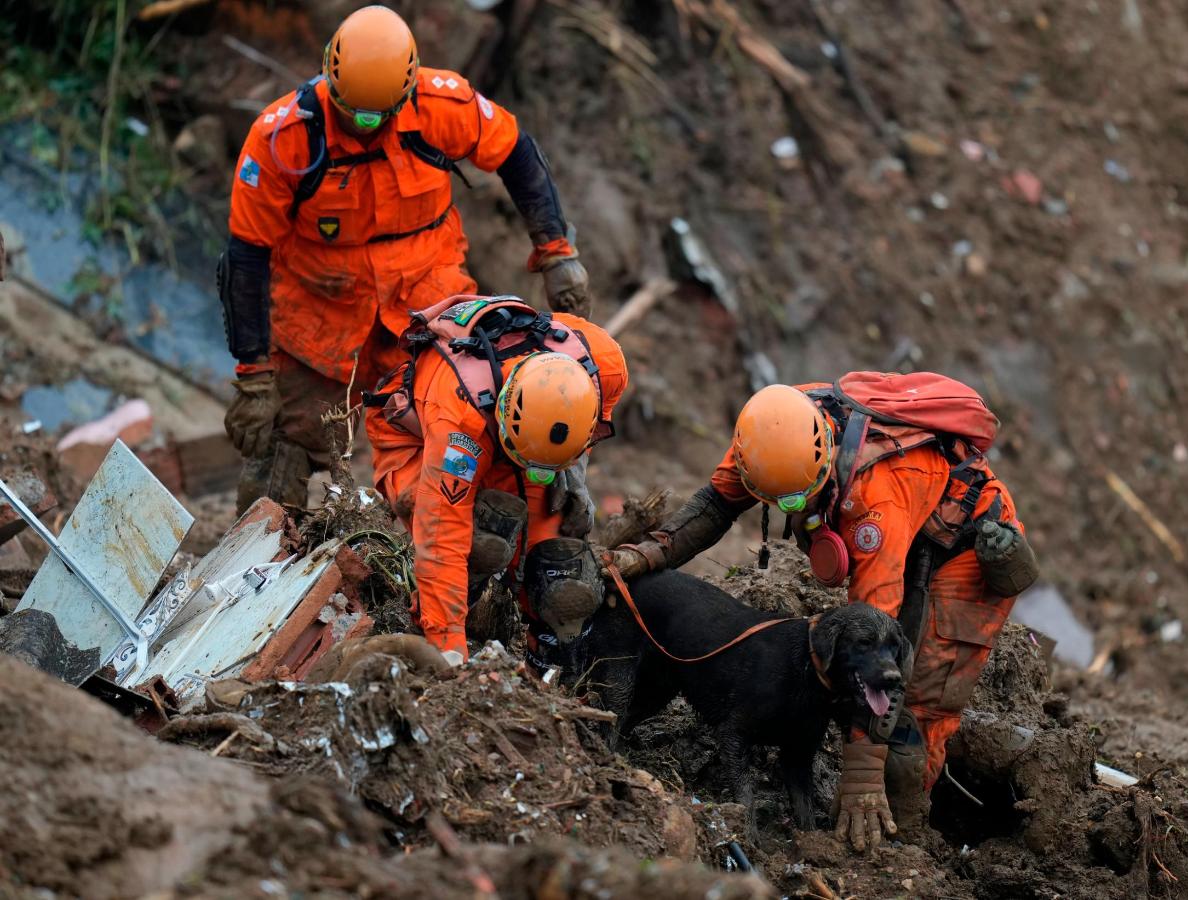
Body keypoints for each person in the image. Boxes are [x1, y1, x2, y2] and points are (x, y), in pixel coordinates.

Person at [608, 372, 1040, 851]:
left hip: (965, 546)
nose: (790, 508)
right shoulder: (769, 436)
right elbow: (714, 507)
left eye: (797, 499)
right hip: (905, 522)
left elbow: (876, 633)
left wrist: (862, 775)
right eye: (775, 501)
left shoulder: (877, 493)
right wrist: (644, 556)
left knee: (916, 700)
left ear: (826, 460)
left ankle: (904, 839)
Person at [219, 4, 591, 513]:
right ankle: (256, 565)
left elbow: (517, 154)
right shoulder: (283, 140)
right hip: (320, 314)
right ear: (330, 75)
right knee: (285, 446)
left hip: (428, 305)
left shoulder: (442, 107)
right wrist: (253, 375)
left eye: (378, 116)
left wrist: (556, 252)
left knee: (460, 422)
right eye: (353, 113)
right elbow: (246, 256)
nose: (364, 126)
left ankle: (469, 539)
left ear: (406, 91)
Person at [365, 294, 627, 667]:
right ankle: (446, 623)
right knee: (481, 540)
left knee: (560, 580)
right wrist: (448, 656)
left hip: (525, 447)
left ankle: (554, 676)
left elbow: (587, 417)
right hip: (419, 439)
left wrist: (572, 470)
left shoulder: (605, 366)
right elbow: (442, 542)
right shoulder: (459, 425)